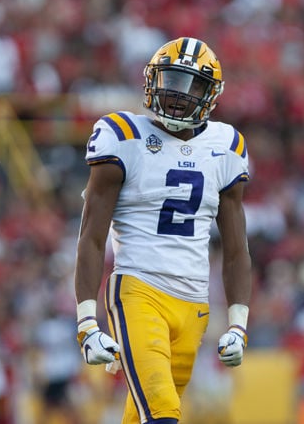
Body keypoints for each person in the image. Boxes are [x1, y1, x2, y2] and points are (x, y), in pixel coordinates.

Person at [73, 37, 252, 424]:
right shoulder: (122, 136)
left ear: (211, 94)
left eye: (192, 85)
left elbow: (237, 249)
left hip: (195, 305)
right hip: (139, 292)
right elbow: (91, 235)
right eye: (171, 79)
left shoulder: (226, 146)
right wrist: (87, 322)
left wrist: (238, 324)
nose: (178, 93)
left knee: (138, 418)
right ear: (152, 79)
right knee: (163, 413)